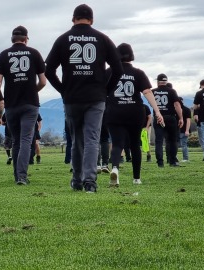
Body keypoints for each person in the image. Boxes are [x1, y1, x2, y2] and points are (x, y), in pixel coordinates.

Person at [45, 4, 124, 192]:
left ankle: (77, 179)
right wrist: (106, 90)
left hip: (72, 97)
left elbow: (49, 70)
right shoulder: (102, 38)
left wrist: (63, 90)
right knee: (92, 139)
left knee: (76, 139)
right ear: (92, 20)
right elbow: (118, 69)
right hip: (96, 97)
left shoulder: (63, 39)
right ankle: (90, 182)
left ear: (73, 19)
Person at [0, 25, 46, 184]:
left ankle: (17, 176)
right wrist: (33, 90)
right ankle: (22, 176)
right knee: (27, 139)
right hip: (30, 103)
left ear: (12, 39)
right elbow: (43, 81)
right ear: (26, 38)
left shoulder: (4, 54)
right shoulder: (34, 53)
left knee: (16, 140)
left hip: (12, 104)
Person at [105, 43, 163, 186]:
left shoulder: (109, 71)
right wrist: (157, 111)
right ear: (131, 56)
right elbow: (147, 92)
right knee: (135, 144)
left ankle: (115, 169)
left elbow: (100, 91)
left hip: (114, 111)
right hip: (134, 112)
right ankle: (136, 178)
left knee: (117, 144)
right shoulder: (138, 73)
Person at [152, 74, 184, 167]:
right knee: (172, 140)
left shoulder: (153, 91)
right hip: (170, 117)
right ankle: (172, 161)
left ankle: (160, 163)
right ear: (166, 81)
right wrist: (181, 118)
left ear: (158, 81)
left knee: (159, 141)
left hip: (158, 117)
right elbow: (177, 105)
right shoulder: (171, 91)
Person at [179, 97, 191, 162]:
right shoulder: (187, 109)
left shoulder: (186, 110)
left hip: (183, 130)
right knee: (183, 144)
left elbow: (188, 120)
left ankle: (185, 158)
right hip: (180, 130)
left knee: (183, 144)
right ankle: (185, 158)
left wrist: (187, 130)